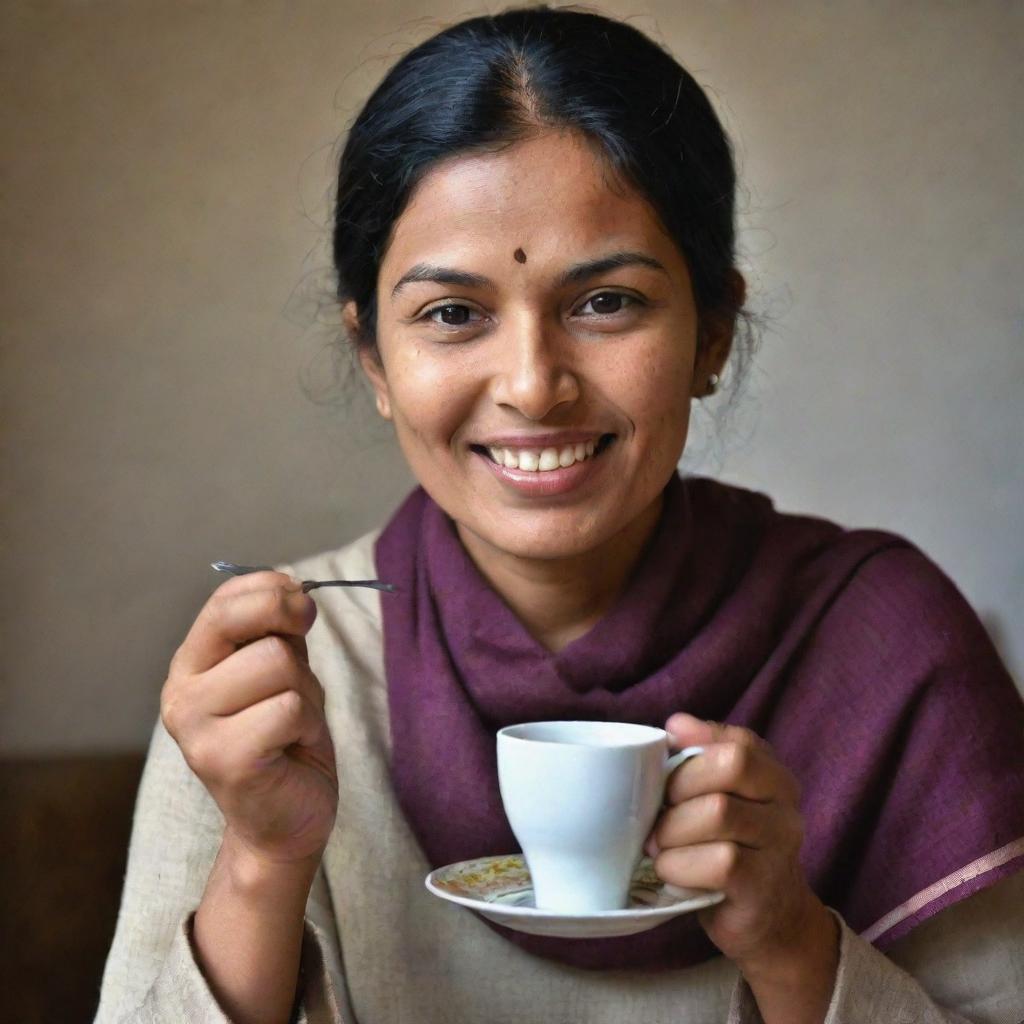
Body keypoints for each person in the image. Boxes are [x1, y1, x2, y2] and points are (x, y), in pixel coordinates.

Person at [96, 7, 1024, 1023]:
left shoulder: (887, 650)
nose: (535, 387)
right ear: (373, 359)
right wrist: (262, 862)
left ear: (711, 331)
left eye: (607, 302)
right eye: (453, 314)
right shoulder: (275, 685)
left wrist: (790, 940)